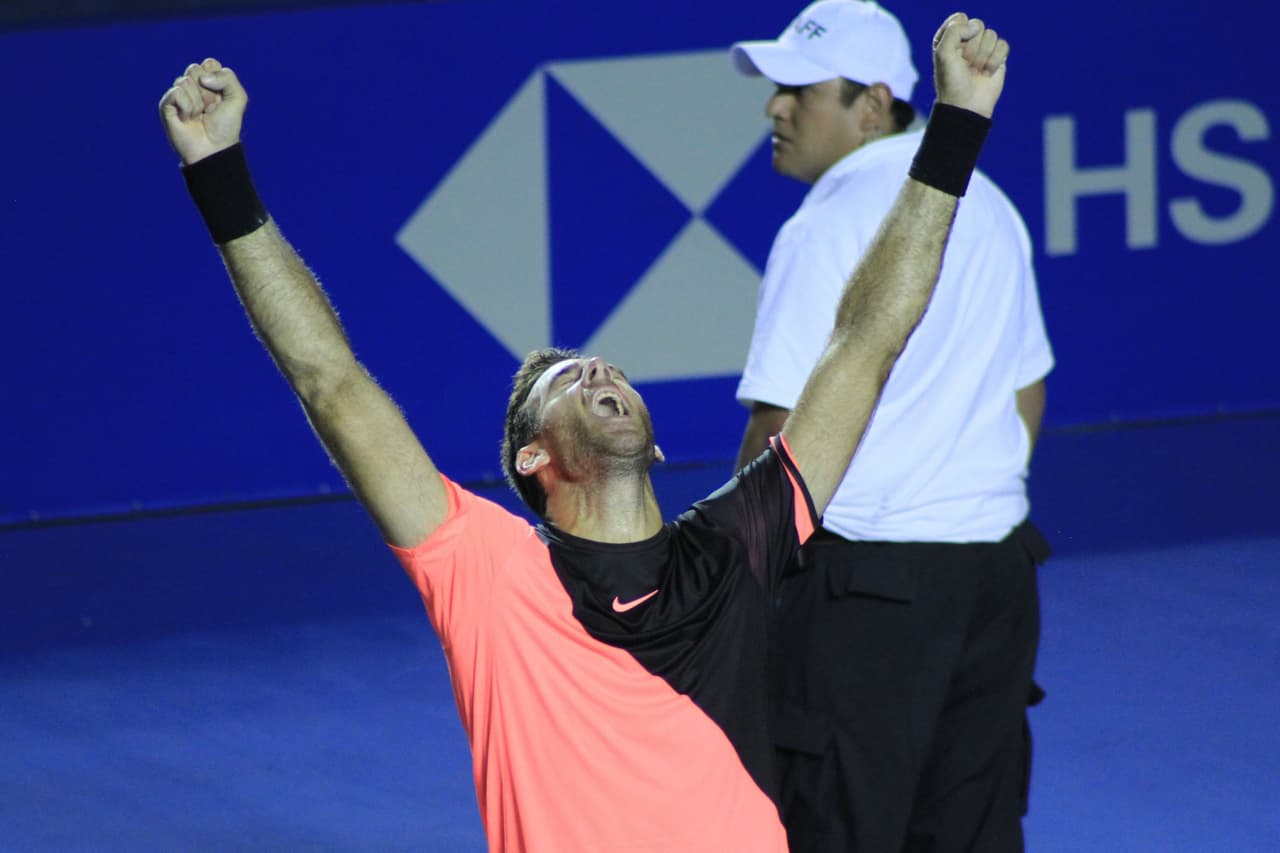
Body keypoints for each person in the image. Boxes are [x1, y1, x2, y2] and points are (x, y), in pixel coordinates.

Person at [158, 13, 1009, 852]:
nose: (601, 372)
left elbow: (865, 341)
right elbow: (331, 383)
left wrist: (959, 123)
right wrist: (219, 173)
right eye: (570, 380)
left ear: (657, 441)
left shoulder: (737, 544)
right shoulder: (488, 572)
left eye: (610, 371)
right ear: (533, 458)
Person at [729, 2, 1054, 851]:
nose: (776, 108)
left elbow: (777, 434)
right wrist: (961, 490)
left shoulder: (827, 224)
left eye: (801, 91)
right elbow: (1029, 388)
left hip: (862, 605)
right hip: (995, 587)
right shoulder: (991, 206)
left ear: (873, 104)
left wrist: (729, 597)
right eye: (776, 90)